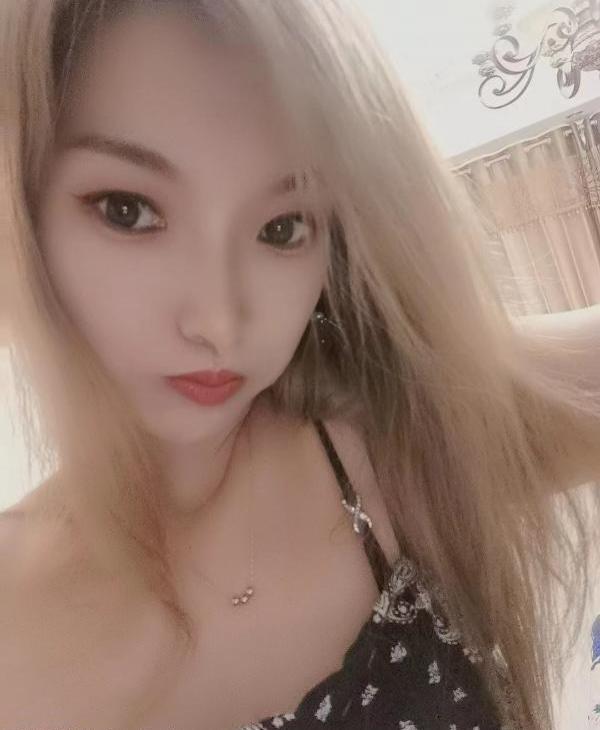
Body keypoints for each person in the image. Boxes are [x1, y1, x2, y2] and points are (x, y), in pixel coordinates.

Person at [0, 1, 599, 728]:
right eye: (128, 210)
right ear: (21, 212)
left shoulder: (397, 438)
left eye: (282, 227)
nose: (220, 322)